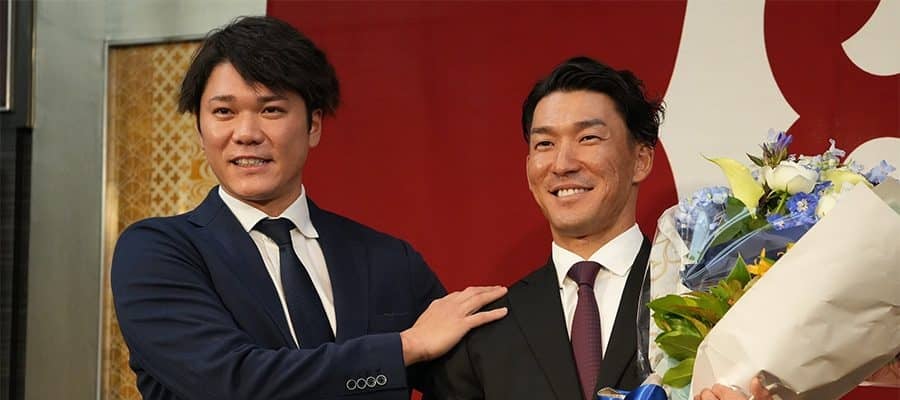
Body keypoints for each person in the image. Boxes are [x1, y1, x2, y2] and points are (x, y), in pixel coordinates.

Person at [110, 16, 507, 400]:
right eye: (224, 112)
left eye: (271, 110)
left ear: (313, 125)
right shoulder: (158, 252)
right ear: (200, 129)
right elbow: (231, 383)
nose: (246, 134)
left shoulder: (388, 260)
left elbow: (466, 378)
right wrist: (404, 347)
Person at [429, 57, 659, 400]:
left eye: (588, 138)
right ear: (528, 169)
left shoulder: (699, 298)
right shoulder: (482, 329)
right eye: (545, 144)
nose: (562, 164)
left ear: (640, 160)